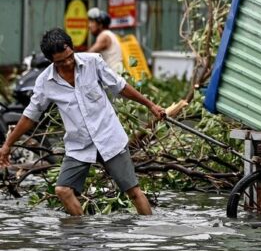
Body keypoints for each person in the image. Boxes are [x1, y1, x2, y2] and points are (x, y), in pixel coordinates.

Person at [0, 28, 167, 215]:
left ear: (72, 48)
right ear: (51, 61)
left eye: (70, 56)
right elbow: (30, 116)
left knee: (133, 192)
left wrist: (151, 106)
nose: (68, 62)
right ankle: (83, 237)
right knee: (63, 191)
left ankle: (149, 234)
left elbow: (120, 87)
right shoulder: (45, 82)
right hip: (79, 145)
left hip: (108, 137)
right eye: (61, 61)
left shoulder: (93, 62)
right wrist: (8, 144)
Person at [87, 7, 124, 73]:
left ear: (100, 25)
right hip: (115, 74)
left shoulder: (104, 36)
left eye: (92, 22)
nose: (89, 25)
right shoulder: (109, 34)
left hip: (113, 76)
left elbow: (89, 54)